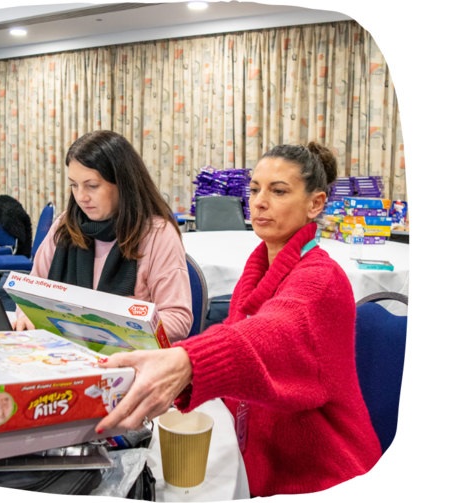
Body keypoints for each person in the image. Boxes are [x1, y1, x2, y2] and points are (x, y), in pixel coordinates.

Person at [94, 142, 383, 497]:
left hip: (318, 473)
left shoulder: (322, 280)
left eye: (278, 191)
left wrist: (188, 362)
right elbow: (235, 332)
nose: (259, 202)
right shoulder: (259, 263)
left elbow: (272, 334)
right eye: (255, 189)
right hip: (258, 460)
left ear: (316, 203)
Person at [12, 130, 193, 343]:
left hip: (126, 358)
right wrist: (25, 315)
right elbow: (31, 293)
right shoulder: (65, 225)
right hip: (62, 353)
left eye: (92, 186)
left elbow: (178, 319)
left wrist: (100, 326)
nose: (81, 197)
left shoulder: (156, 234)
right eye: (74, 185)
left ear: (123, 184)